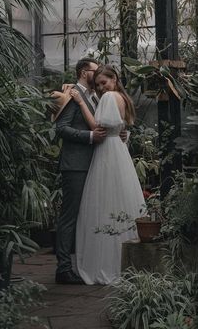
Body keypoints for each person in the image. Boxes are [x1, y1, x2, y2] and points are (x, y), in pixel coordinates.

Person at [70, 65, 145, 285]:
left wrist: (81, 102)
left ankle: (107, 262)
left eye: (105, 82)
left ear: (115, 79)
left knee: (104, 201)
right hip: (118, 151)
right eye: (98, 85)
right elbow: (121, 127)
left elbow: (97, 127)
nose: (102, 88)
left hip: (108, 151)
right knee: (119, 198)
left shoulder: (110, 97)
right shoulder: (122, 97)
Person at [53, 57, 106, 285]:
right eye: (96, 70)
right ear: (85, 72)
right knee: (69, 217)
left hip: (91, 165)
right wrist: (90, 136)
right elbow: (61, 128)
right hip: (75, 166)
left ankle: (83, 265)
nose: (100, 74)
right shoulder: (72, 95)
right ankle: (63, 269)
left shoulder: (93, 96)